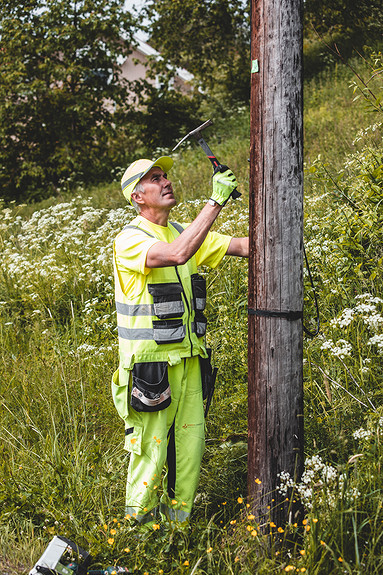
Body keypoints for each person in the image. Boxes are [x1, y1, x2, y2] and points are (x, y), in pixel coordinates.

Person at [112, 155, 248, 526]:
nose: (166, 181)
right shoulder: (130, 239)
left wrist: (282, 224)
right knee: (151, 454)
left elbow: (242, 246)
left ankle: (175, 531)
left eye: (166, 175)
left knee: (189, 452)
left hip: (190, 362)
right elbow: (177, 254)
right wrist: (216, 200)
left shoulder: (182, 231)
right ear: (138, 196)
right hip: (150, 371)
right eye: (155, 178)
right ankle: (137, 536)